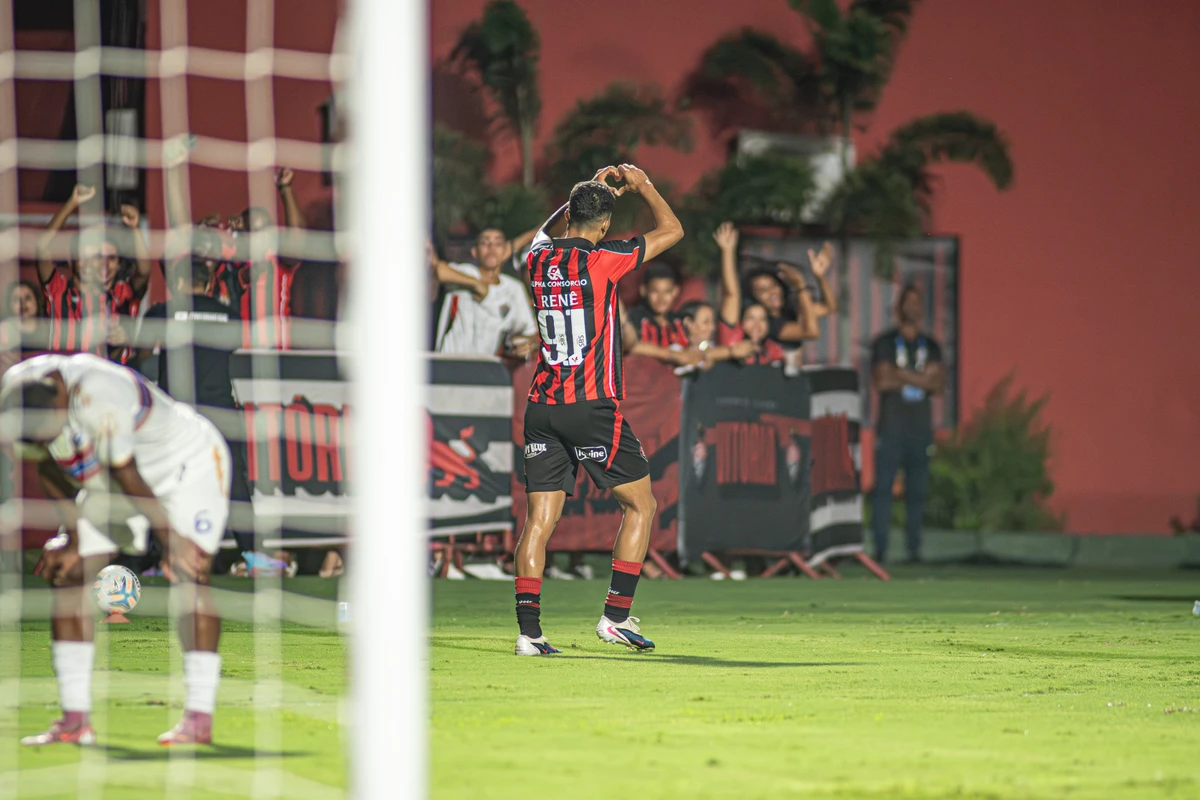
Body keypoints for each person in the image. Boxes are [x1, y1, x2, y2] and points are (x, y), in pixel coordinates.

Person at [2, 353, 232, 746]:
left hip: (185, 468)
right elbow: (48, 468)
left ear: (60, 401)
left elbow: (127, 471)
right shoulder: (17, 399)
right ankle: (75, 721)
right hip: (113, 476)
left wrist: (171, 540)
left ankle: (198, 718)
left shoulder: (99, 394)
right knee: (68, 573)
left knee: (190, 572)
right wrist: (73, 539)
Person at [514, 163, 682, 656]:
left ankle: (529, 634)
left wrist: (585, 189)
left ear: (569, 216)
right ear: (605, 225)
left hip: (541, 406)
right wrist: (643, 185)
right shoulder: (606, 258)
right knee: (641, 506)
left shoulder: (537, 259)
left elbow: (541, 234)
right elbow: (672, 230)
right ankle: (615, 617)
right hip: (589, 406)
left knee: (539, 522)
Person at [136, 256, 255, 565]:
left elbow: (141, 355)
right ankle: (253, 554)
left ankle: (154, 557)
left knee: (165, 480)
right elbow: (236, 345)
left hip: (177, 414)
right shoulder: (228, 315)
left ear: (177, 283)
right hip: (220, 411)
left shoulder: (162, 312)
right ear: (209, 282)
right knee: (233, 482)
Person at [870, 285, 945, 563]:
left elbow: (937, 385)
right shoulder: (885, 342)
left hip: (920, 428)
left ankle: (914, 550)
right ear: (899, 307)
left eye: (917, 302)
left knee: (917, 492)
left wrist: (900, 374)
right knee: (883, 489)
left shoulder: (931, 345)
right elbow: (882, 380)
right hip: (891, 427)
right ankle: (880, 549)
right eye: (907, 302)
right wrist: (920, 378)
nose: (912, 307)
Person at [35, 185, 153, 359]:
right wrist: (71, 204)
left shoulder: (122, 294)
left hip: (114, 374)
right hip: (67, 375)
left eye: (111, 258)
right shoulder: (59, 291)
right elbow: (41, 249)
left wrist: (135, 229)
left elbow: (143, 272)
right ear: (71, 261)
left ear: (119, 264)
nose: (102, 264)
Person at [715, 221, 836, 351]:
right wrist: (800, 287)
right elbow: (811, 332)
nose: (772, 292)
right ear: (754, 297)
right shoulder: (766, 323)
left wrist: (820, 276)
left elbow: (829, 307)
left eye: (773, 285)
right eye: (762, 290)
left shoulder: (791, 306)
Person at [432, 230, 537, 358]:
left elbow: (529, 331)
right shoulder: (466, 272)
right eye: (484, 243)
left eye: (498, 244)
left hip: (487, 365)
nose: (491, 248)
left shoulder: (514, 288)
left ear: (505, 252)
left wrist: (528, 344)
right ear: (474, 252)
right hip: (450, 361)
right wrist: (477, 285)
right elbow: (440, 270)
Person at [621, 263, 702, 369]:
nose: (661, 299)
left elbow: (698, 346)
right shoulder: (634, 317)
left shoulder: (679, 322)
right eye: (655, 291)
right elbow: (631, 345)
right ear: (643, 290)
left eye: (667, 292)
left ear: (675, 291)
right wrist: (672, 355)